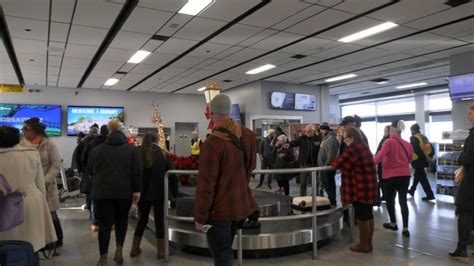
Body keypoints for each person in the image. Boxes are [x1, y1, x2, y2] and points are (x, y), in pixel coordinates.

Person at [194, 94, 257, 266]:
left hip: (219, 212)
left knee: (222, 256)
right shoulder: (248, 135)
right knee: (226, 251)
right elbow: (250, 167)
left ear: (212, 113)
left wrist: (200, 216)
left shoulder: (212, 143)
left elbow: (206, 184)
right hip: (240, 206)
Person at [88, 119, 142, 265]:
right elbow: (136, 172)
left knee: (105, 224)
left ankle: (103, 257)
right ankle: (119, 250)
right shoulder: (132, 150)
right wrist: (137, 191)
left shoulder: (96, 150)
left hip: (102, 193)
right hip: (124, 193)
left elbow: (90, 171)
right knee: (121, 221)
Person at [0, 126, 57, 252]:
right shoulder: (31, 153)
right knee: (32, 244)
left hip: (5, 205)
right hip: (32, 200)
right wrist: (43, 203)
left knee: (8, 248)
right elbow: (40, 183)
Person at [20, 117, 64, 255]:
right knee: (34, 216)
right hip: (29, 186)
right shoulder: (21, 144)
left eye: (26, 128)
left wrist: (45, 181)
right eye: (23, 128)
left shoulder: (48, 144)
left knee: (52, 216)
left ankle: (58, 244)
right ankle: (39, 244)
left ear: (35, 129)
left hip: (47, 186)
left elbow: (56, 164)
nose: (23, 131)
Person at [331, 128, 378, 253]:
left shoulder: (353, 148)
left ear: (352, 138)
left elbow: (338, 163)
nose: (345, 142)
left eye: (346, 139)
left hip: (359, 188)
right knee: (368, 215)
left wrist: (332, 160)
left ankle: (363, 245)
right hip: (368, 186)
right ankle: (368, 243)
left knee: (362, 217)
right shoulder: (363, 146)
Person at [130, 132, 175, 259]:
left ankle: (134, 248)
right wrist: (174, 195)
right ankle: (161, 250)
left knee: (142, 220)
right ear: (158, 140)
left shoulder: (137, 152)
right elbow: (172, 175)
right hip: (159, 193)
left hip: (142, 193)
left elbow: (133, 173)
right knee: (160, 221)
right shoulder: (163, 154)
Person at [374, 120, 413, 238]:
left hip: (390, 176)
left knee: (390, 200)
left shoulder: (388, 142)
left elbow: (378, 158)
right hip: (405, 175)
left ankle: (393, 223)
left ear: (392, 129)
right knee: (403, 201)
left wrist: (367, 163)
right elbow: (410, 159)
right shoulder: (407, 144)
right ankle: (405, 228)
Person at [449, 104, 474, 263]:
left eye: (471, 113)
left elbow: (470, 157)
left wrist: (459, 158)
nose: (468, 116)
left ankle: (462, 248)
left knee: (464, 210)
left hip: (471, 179)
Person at [83, 125, 109, 232]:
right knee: (108, 199)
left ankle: (95, 222)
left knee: (95, 198)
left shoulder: (92, 143)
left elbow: (84, 158)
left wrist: (86, 171)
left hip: (94, 174)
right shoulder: (110, 144)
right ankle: (108, 221)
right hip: (108, 175)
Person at [288, 124, 321, 196]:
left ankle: (315, 196)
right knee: (303, 183)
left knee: (315, 183)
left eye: (309, 131)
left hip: (315, 164)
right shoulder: (301, 138)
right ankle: (303, 196)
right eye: (306, 131)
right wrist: (288, 144)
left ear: (313, 131)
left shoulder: (318, 139)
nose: (307, 133)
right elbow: (294, 143)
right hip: (304, 164)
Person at [408, 123, 435, 201]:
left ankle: (430, 194)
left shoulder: (413, 138)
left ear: (413, 130)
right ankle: (412, 190)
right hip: (424, 159)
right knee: (417, 175)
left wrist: (423, 157)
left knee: (423, 178)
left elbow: (417, 150)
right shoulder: (423, 137)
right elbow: (431, 147)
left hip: (418, 160)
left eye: (411, 130)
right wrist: (429, 156)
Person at [317, 122, 339, 206]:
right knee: (326, 186)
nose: (322, 131)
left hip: (327, 168)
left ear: (327, 129)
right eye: (321, 130)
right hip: (323, 167)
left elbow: (331, 155)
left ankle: (333, 203)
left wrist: (326, 166)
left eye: (323, 129)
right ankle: (331, 201)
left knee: (329, 186)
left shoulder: (332, 139)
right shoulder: (325, 138)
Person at [376, 125, 391, 202]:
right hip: (383, 164)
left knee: (383, 181)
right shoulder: (386, 139)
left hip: (383, 164)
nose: (384, 132)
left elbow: (380, 152)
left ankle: (386, 196)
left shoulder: (386, 140)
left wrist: (374, 160)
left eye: (385, 131)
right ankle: (386, 196)